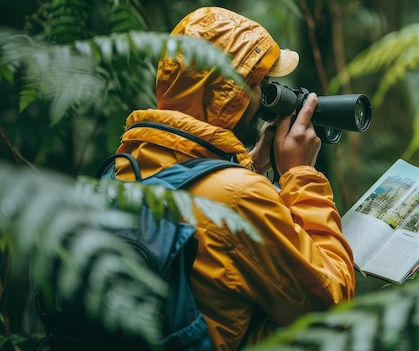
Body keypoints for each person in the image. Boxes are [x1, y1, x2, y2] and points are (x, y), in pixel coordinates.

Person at [112, 6, 356, 351]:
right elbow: (332, 307)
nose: (269, 95)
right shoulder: (239, 197)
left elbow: (199, 201)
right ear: (231, 94)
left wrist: (247, 169)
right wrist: (301, 173)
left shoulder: (128, 162)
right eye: (261, 85)